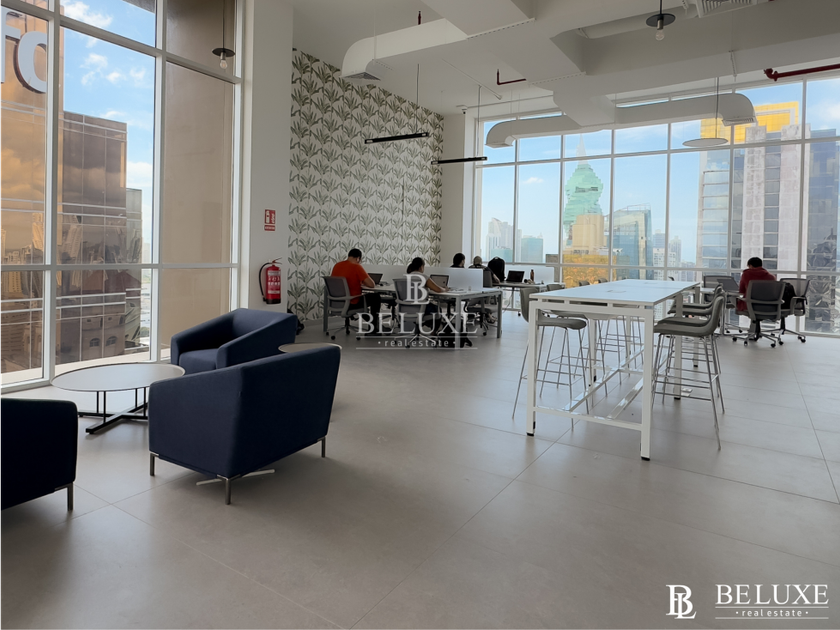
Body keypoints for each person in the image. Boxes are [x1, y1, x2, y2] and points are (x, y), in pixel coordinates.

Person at [331, 248, 383, 333]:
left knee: (364, 300)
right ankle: (374, 328)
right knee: (375, 297)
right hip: (351, 303)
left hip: (337, 302)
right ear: (358, 258)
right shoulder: (356, 266)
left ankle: (375, 325)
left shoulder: (337, 265)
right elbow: (371, 284)